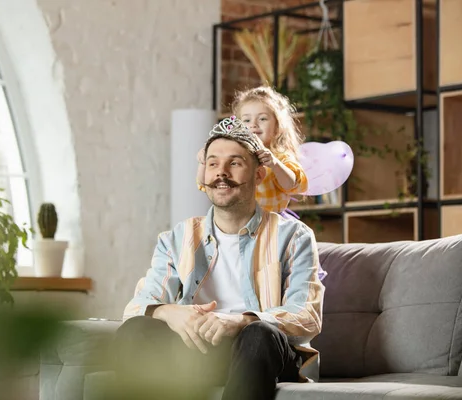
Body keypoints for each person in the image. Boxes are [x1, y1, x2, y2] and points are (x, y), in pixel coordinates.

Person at [113, 117, 325, 400]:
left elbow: (306, 315)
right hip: (198, 352)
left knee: (259, 334)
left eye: (234, 163)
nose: (221, 173)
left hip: (261, 353)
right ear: (204, 176)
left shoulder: (294, 236)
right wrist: (171, 313)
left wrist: (240, 321)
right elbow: (137, 306)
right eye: (212, 164)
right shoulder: (177, 237)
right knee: (135, 330)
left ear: (259, 174)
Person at [197, 86, 308, 214]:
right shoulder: (233, 156)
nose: (253, 124)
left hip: (269, 223)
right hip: (238, 222)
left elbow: (292, 185)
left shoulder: (280, 157)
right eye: (247, 120)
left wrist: (275, 164)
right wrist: (204, 162)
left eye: (262, 119)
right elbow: (203, 183)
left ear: (278, 127)